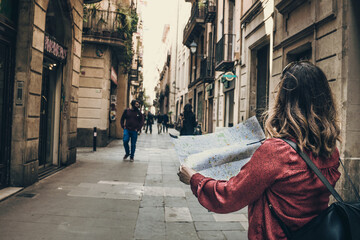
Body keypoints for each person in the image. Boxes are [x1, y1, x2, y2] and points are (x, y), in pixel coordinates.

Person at [178, 61, 341, 240]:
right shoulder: (330, 150)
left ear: (284, 100)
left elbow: (229, 196)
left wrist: (195, 179)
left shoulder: (277, 152)